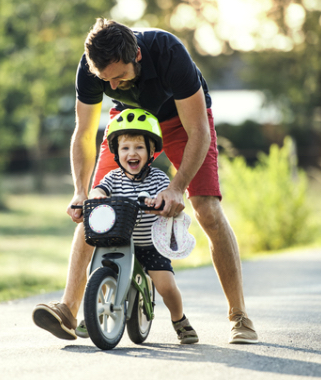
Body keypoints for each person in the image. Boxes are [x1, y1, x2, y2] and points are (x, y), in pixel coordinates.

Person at [32, 18, 258, 344]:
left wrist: (176, 187)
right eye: (107, 81)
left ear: (136, 55)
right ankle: (68, 309)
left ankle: (240, 316)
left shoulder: (169, 53)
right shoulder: (92, 68)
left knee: (207, 210)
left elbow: (199, 132)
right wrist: (81, 193)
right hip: (131, 123)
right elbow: (82, 134)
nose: (116, 86)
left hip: (183, 121)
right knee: (95, 207)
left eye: (120, 76)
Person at [76, 108, 198, 344]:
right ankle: (92, 312)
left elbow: (167, 195)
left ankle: (179, 320)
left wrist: (160, 201)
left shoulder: (159, 179)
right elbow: (99, 189)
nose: (132, 153)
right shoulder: (112, 179)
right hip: (118, 241)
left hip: (149, 245)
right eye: (125, 148)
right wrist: (97, 195)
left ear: (151, 151)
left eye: (139, 147)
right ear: (116, 152)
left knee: (166, 286)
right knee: (96, 271)